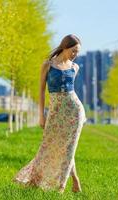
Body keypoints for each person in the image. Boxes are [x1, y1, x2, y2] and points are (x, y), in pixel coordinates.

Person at [12, 34, 87, 194]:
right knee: (49, 146)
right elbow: (41, 91)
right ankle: (35, 179)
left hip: (74, 111)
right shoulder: (47, 65)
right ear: (65, 47)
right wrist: (41, 115)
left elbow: (71, 92)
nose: (75, 55)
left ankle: (64, 184)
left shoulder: (75, 68)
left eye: (77, 52)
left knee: (68, 147)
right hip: (55, 112)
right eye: (73, 51)